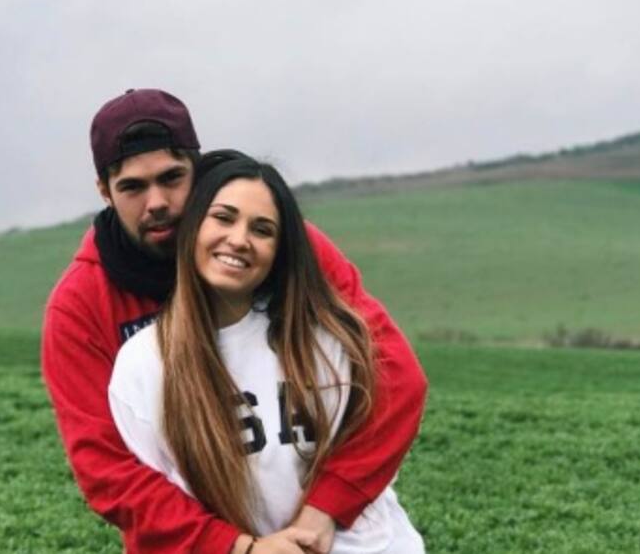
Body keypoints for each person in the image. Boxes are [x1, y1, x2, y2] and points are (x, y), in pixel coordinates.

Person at [41, 89, 428, 553]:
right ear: (105, 191)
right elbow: (108, 470)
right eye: (133, 187)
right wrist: (236, 547)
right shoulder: (82, 304)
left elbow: (396, 377)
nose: (157, 202)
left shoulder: (280, 246)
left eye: (172, 178)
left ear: (198, 170)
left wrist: (325, 508)